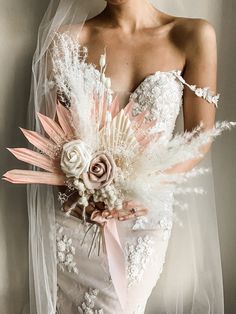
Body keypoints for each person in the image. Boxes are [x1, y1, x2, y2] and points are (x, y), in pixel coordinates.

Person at [23, 0, 227, 313]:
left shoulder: (192, 34)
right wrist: (85, 190)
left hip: (143, 215)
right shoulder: (68, 39)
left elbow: (199, 137)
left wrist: (143, 186)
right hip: (79, 216)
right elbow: (52, 139)